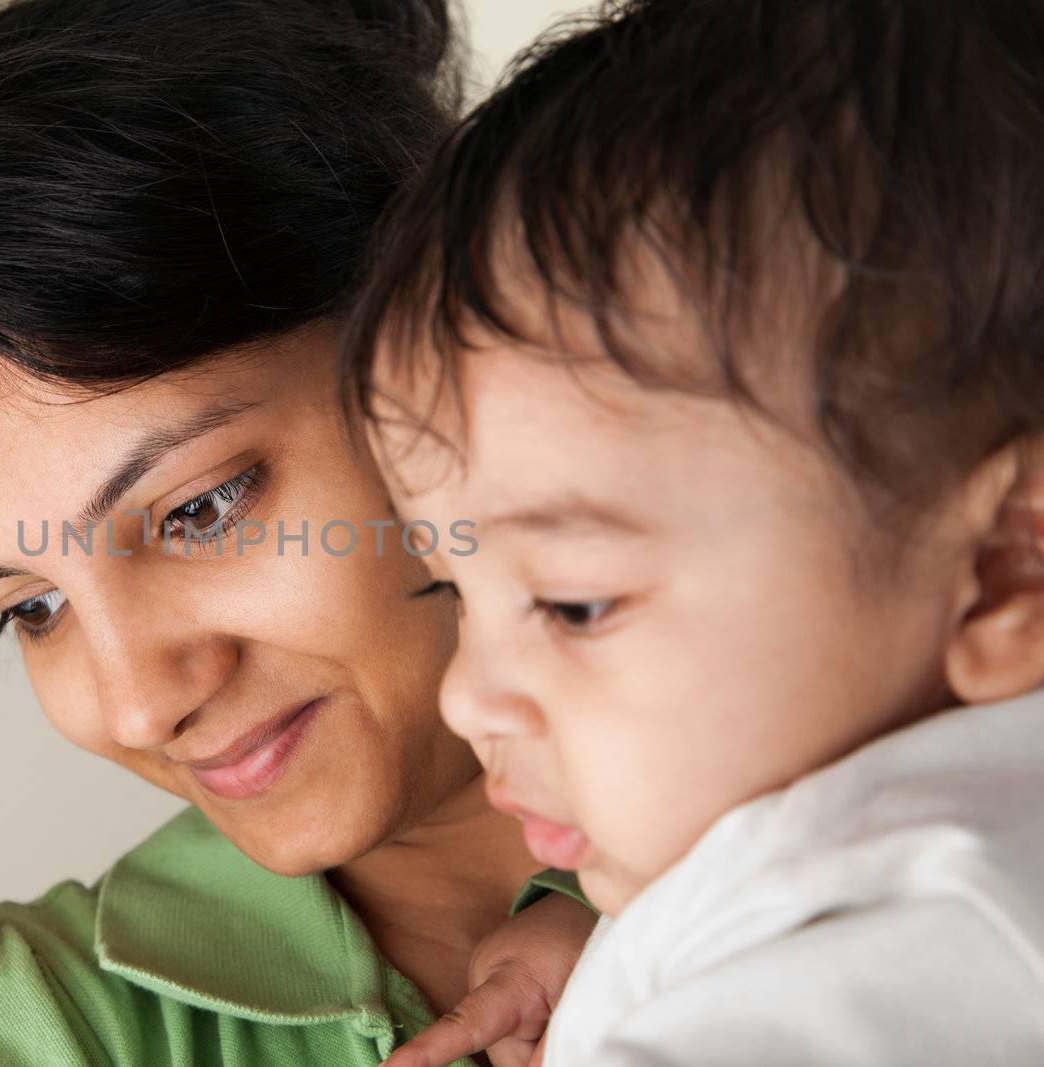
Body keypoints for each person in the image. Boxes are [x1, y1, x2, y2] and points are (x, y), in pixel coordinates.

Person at [0, 2, 595, 1064]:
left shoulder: (843, 803)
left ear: (449, 345)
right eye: (32, 606)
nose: (142, 701)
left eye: (199, 508)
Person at [341, 1, 1044, 1064]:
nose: (465, 694)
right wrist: (621, 956)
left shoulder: (918, 943)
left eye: (574, 602)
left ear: (1005, 567)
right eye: (452, 587)